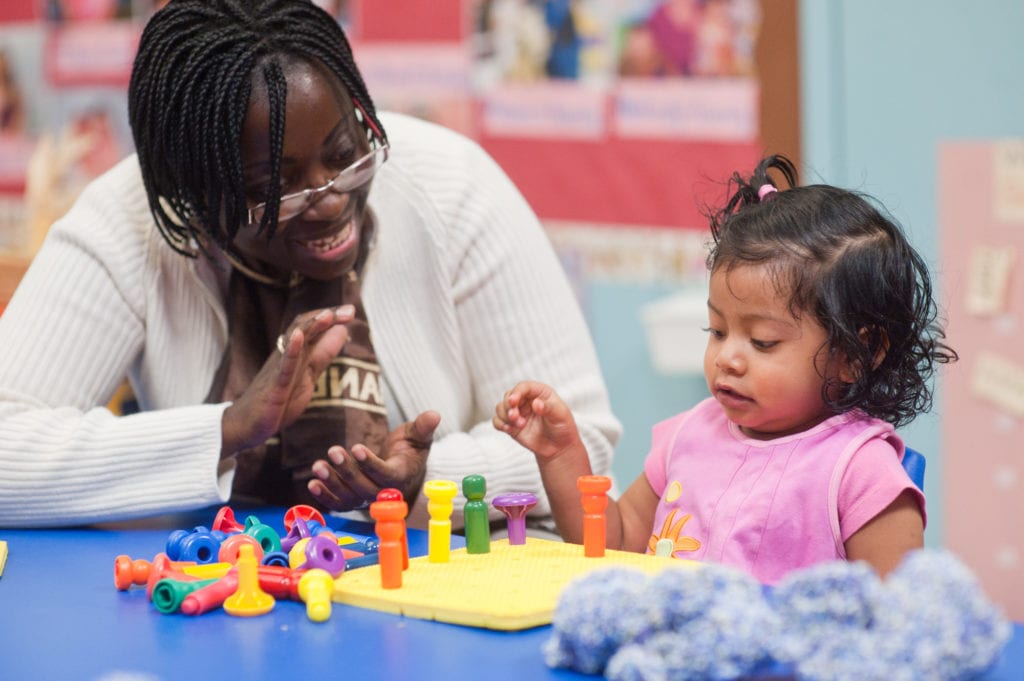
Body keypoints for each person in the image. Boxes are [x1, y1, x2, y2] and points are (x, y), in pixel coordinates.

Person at [0, 0, 620, 529]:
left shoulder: (455, 190)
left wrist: (424, 483)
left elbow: (583, 446)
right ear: (196, 195)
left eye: (344, 154)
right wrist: (228, 429)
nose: (329, 200)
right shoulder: (128, 220)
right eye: (277, 187)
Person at [494, 154, 957, 583]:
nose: (727, 358)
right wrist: (560, 455)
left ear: (856, 355)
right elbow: (611, 544)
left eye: (762, 341)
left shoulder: (860, 471)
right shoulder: (690, 435)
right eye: (717, 330)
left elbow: (899, 624)